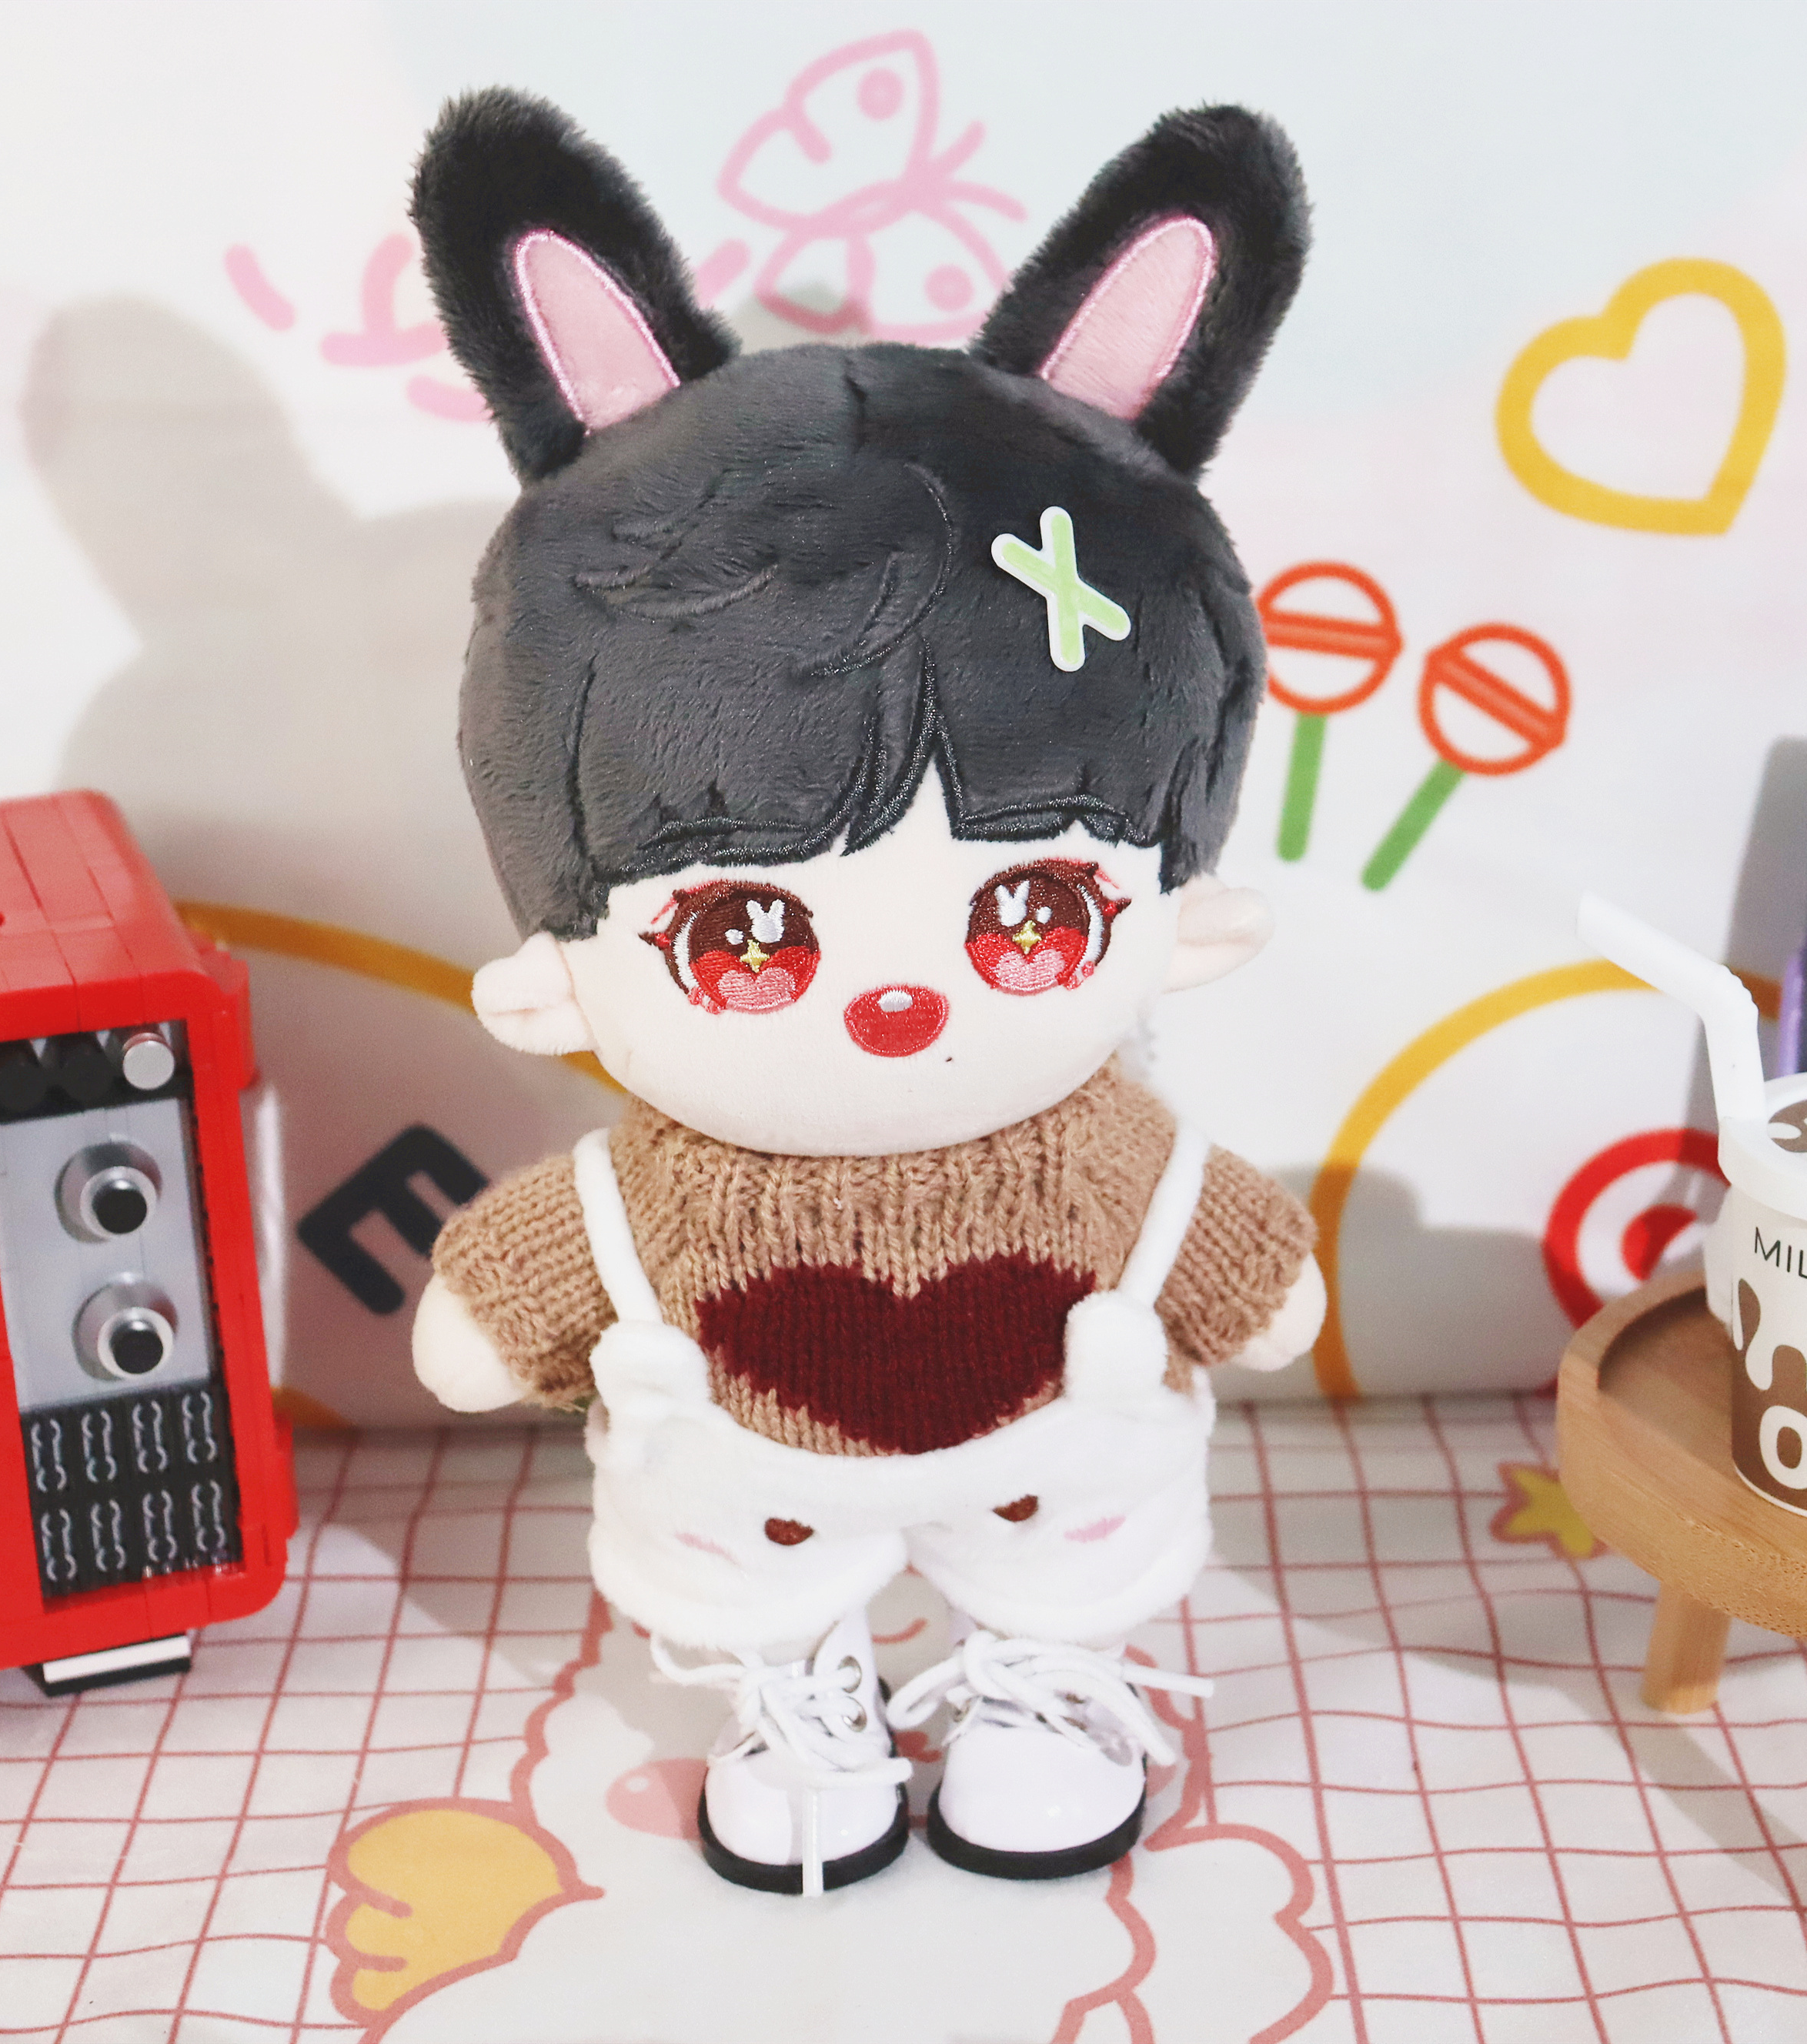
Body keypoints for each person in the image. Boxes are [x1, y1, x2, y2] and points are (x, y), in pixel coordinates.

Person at [403, 92, 1322, 1899]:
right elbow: (523, 1282)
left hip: (1045, 1468)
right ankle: (796, 1692)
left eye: (1033, 911)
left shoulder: (1101, 1148)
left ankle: (1039, 1679)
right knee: (744, 1550)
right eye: (748, 935)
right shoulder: (668, 1185)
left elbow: (1233, 1263)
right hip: (756, 1490)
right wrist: (498, 1308)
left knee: (1073, 1530)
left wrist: (1251, 1275)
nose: (899, 1008)